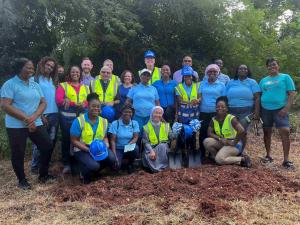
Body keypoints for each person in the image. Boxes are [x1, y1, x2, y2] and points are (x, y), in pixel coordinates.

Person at [1, 58, 55, 189]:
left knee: (47, 145)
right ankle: (22, 181)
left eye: (32, 67)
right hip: (16, 125)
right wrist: (27, 119)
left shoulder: (34, 84)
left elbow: (43, 102)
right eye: (28, 67)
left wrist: (35, 117)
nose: (31, 70)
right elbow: (5, 106)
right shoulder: (10, 84)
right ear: (20, 68)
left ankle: (43, 175)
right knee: (18, 152)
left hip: (35, 122)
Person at [70, 93, 117, 184]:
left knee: (112, 158)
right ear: (88, 107)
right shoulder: (79, 121)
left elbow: (105, 137)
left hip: (99, 149)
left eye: (98, 107)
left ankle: (94, 171)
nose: (96, 109)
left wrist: (106, 144)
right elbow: (74, 140)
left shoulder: (104, 121)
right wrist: (88, 150)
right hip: (82, 149)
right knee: (94, 166)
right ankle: (84, 174)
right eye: (93, 106)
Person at [259, 58, 296, 169]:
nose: (272, 67)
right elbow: (258, 95)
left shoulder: (285, 77)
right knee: (266, 132)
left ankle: (286, 160)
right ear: (267, 67)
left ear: (278, 66)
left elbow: (292, 94)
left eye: (274, 64)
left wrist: (286, 108)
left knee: (285, 131)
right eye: (269, 65)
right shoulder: (263, 80)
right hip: (265, 109)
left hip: (280, 109)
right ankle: (268, 156)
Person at [56, 66, 90, 174]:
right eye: (72, 71)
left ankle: (77, 162)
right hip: (67, 118)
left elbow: (89, 101)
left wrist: (84, 104)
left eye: (77, 72)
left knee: (80, 139)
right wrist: (73, 103)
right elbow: (59, 100)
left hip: (81, 118)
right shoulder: (63, 85)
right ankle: (66, 163)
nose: (75, 73)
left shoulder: (85, 87)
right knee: (67, 140)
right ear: (69, 73)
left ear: (80, 74)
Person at [31, 56, 60, 174]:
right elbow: (32, 99)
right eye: (47, 65)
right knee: (39, 141)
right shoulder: (35, 79)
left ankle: (44, 164)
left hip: (55, 114)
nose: (49, 68)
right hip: (42, 114)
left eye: (52, 67)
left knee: (51, 141)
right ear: (42, 65)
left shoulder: (54, 81)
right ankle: (35, 165)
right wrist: (40, 115)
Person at [203, 96, 251, 167]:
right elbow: (209, 133)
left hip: (234, 145)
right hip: (223, 143)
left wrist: (234, 142)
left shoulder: (231, 119)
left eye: (223, 107)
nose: (220, 108)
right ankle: (220, 157)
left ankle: (242, 159)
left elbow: (242, 130)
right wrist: (219, 138)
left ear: (227, 109)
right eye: (218, 106)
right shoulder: (214, 119)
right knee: (206, 141)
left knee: (219, 160)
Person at [199, 64, 226, 162]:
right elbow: (199, 96)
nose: (212, 73)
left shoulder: (222, 85)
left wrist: (222, 113)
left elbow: (223, 99)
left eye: (214, 71)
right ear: (207, 73)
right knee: (202, 133)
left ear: (218, 73)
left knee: (215, 133)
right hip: (203, 112)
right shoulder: (202, 84)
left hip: (216, 113)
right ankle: (202, 154)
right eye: (210, 71)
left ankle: (212, 154)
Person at [226, 64, 260, 129]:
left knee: (243, 131)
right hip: (231, 111)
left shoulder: (252, 82)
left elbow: (257, 98)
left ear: (248, 71)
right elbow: (224, 97)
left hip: (247, 111)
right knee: (232, 131)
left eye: (245, 69)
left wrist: (257, 113)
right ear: (237, 71)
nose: (243, 70)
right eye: (240, 68)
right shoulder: (231, 82)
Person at [109, 105, 139, 173]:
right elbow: (112, 141)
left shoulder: (134, 123)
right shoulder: (115, 123)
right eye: (125, 111)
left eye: (130, 112)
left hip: (127, 147)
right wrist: (115, 155)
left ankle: (131, 163)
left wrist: (129, 145)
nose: (127, 113)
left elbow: (135, 137)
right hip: (118, 148)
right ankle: (120, 164)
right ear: (122, 112)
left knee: (136, 148)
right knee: (116, 167)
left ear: (132, 113)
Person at [142, 106, 172, 172]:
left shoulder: (166, 126)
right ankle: (158, 168)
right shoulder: (146, 127)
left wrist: (176, 132)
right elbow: (145, 142)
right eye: (156, 113)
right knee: (149, 155)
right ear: (152, 114)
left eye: (160, 113)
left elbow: (171, 137)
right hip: (151, 149)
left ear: (162, 115)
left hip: (164, 149)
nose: (157, 115)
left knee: (162, 146)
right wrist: (151, 151)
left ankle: (163, 167)